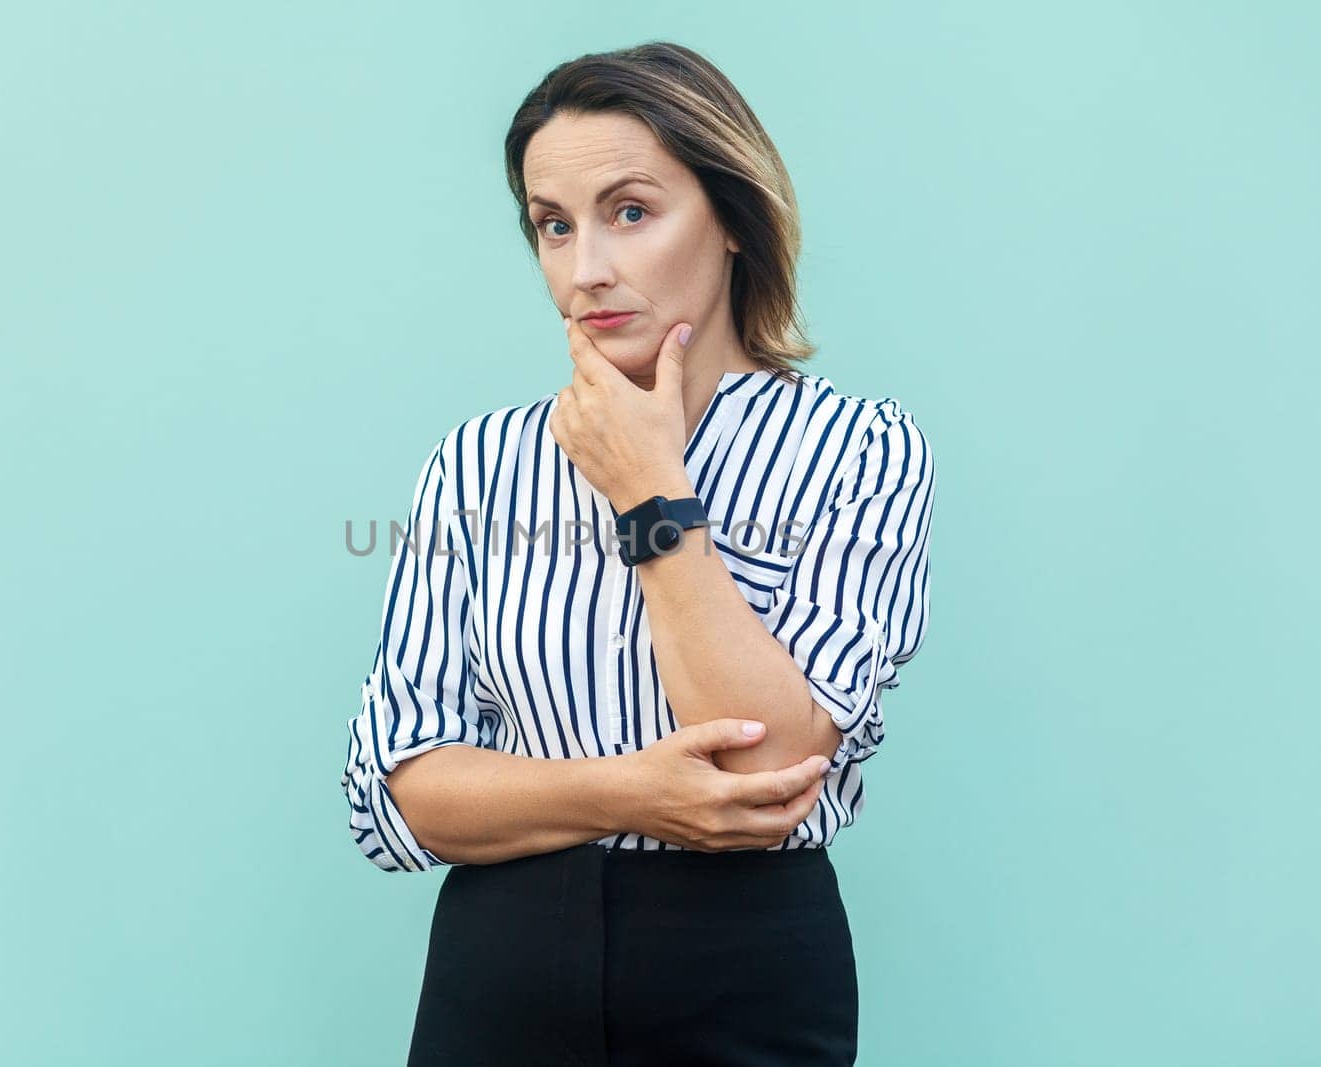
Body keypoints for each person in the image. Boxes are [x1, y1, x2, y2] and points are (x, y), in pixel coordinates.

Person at [340, 41, 935, 1067]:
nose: (586, 270)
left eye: (630, 211)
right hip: (499, 967)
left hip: (741, 966)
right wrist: (628, 792)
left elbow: (768, 764)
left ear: (733, 219)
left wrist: (651, 495)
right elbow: (402, 785)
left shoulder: (860, 449)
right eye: (552, 225)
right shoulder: (479, 461)